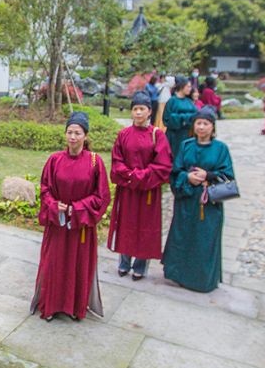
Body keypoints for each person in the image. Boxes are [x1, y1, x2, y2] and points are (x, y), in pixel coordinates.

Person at [31, 112, 111, 320]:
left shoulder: (95, 162)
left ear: (85, 136)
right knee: (53, 263)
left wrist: (76, 209)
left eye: (77, 133)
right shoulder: (54, 160)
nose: (73, 137)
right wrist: (53, 205)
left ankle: (76, 308)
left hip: (81, 226)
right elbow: (45, 189)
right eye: (70, 132)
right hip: (57, 224)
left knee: (78, 265)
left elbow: (102, 196)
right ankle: (50, 306)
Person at [162, 107, 235, 292]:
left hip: (208, 201)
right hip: (186, 198)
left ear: (212, 127)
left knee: (205, 238)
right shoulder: (186, 145)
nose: (201, 127)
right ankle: (178, 274)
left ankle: (201, 280)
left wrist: (208, 175)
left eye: (206, 124)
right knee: (183, 235)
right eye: (198, 123)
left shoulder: (221, 149)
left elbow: (228, 177)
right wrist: (187, 177)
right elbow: (175, 171)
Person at [108, 92, 173, 280]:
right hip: (128, 189)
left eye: (141, 109)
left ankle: (140, 265)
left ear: (149, 112)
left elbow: (163, 164)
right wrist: (129, 175)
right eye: (135, 109)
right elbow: (117, 160)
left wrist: (140, 176)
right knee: (126, 224)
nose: (138, 113)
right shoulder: (124, 134)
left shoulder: (157, 135)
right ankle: (124, 262)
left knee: (145, 226)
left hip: (147, 190)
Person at [162, 74, 198, 160]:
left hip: (187, 134)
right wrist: (184, 118)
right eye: (188, 86)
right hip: (174, 136)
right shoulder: (172, 101)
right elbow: (166, 119)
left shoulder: (189, 101)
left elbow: (196, 115)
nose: (190, 89)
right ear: (182, 86)